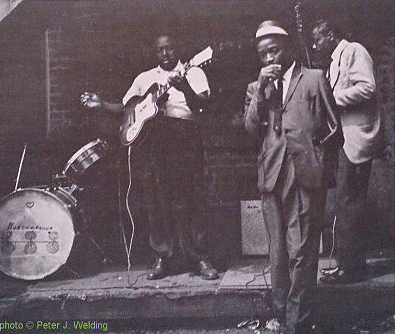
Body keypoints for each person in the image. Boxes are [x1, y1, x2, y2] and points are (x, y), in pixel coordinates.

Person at [80, 33, 219, 281]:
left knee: (191, 196)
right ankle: (163, 256)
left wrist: (182, 86)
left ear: (178, 49)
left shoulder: (193, 70)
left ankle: (200, 257)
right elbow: (127, 109)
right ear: (155, 53)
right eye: (160, 50)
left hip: (184, 136)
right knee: (157, 198)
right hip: (154, 141)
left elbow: (202, 106)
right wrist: (101, 105)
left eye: (170, 48)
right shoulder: (144, 79)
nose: (165, 54)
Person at [244, 20, 339, 334]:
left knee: (302, 251)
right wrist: (260, 89)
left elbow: (334, 129)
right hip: (271, 176)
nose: (270, 58)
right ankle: (280, 313)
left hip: (304, 175)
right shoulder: (256, 88)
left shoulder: (314, 78)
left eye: (275, 50)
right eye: (263, 55)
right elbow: (250, 129)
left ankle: (297, 322)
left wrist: (318, 162)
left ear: (287, 48)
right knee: (278, 253)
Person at [312, 19, 382, 284]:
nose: (315, 45)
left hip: (356, 138)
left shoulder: (353, 50)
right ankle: (350, 264)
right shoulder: (335, 60)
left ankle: (349, 269)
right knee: (347, 201)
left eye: (318, 38)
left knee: (348, 201)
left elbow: (368, 87)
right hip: (344, 140)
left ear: (330, 34)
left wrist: (332, 99)